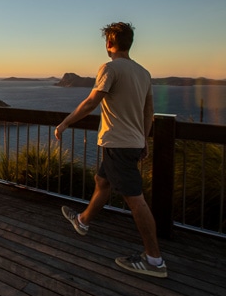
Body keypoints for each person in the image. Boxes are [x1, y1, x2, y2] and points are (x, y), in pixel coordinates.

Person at [55, 22, 167, 278]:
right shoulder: (143, 73)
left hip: (117, 143)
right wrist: (144, 139)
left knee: (135, 199)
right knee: (102, 182)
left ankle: (154, 259)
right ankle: (82, 221)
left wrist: (64, 123)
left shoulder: (109, 68)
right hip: (130, 141)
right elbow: (148, 112)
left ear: (109, 44)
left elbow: (91, 102)